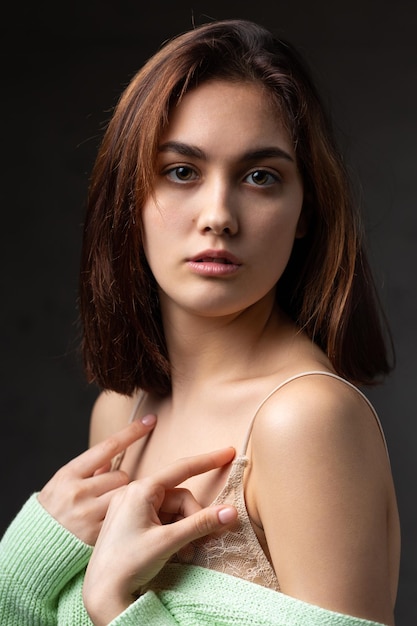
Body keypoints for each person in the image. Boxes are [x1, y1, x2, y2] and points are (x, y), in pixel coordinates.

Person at [0, 18, 400, 626]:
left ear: (304, 213)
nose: (219, 215)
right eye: (182, 171)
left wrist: (116, 606)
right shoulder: (121, 410)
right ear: (128, 198)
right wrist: (22, 569)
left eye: (260, 176)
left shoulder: (306, 421)